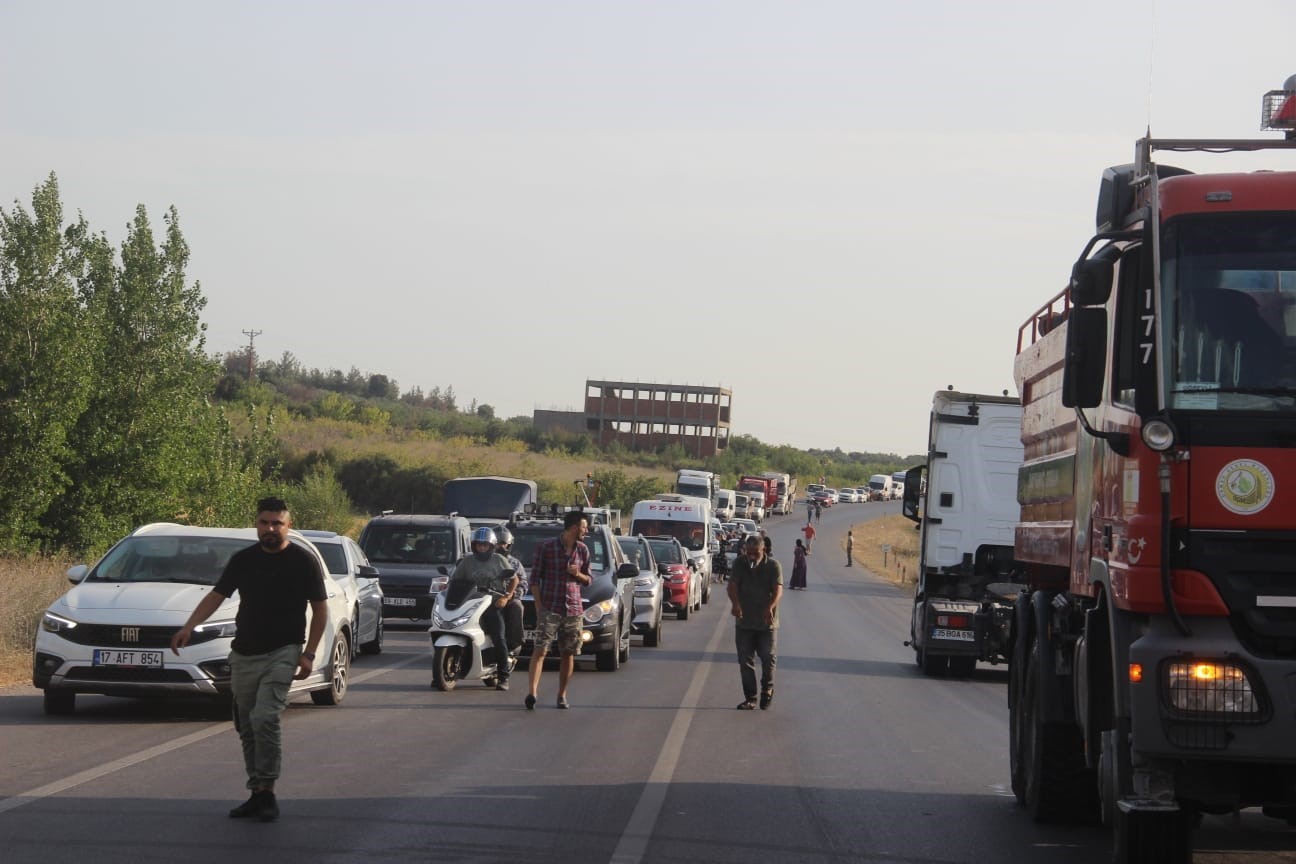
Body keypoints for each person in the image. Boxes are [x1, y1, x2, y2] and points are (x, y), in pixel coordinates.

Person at [170, 496, 328, 823]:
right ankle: (256, 791)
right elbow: (217, 595)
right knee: (245, 724)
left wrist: (309, 653)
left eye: (277, 523)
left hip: (284, 651)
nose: (270, 529)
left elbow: (320, 609)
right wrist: (189, 627)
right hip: (244, 653)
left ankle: (268, 792)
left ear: (289, 525)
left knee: (265, 717)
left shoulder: (302, 561)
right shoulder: (243, 560)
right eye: (264, 522)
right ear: (256, 523)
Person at [526, 510, 591, 710]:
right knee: (540, 650)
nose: (586, 530)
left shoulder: (583, 550)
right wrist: (539, 606)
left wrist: (577, 574)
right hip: (550, 607)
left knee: (568, 653)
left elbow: (589, 580)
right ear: (573, 527)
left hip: (573, 609)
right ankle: (532, 693)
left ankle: (562, 695)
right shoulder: (546, 547)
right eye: (584, 527)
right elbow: (534, 579)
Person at [448, 527, 520, 690]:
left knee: (499, 637)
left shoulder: (499, 560)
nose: (481, 548)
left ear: (491, 546)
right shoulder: (467, 561)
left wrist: (505, 597)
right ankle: (442, 672)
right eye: (479, 545)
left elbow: (514, 580)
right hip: (469, 604)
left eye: (485, 545)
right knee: (453, 628)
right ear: (474, 545)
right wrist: (447, 588)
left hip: (492, 604)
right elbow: (455, 580)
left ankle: (503, 677)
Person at [728, 533, 783, 710]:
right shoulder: (739, 564)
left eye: (755, 553)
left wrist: (770, 607)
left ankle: (767, 688)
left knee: (768, 657)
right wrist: (735, 604)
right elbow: (732, 586)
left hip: (767, 623)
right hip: (744, 623)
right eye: (749, 553)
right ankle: (750, 697)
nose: (752, 556)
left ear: (763, 550)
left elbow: (778, 590)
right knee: (745, 661)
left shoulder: (773, 566)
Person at [495, 527, 528, 652]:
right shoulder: (481, 560)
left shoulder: (515, 563)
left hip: (506, 598)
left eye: (503, 544)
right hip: (484, 596)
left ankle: (514, 642)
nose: (500, 547)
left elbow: (523, 583)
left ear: (509, 545)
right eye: (497, 543)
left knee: (517, 606)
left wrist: (514, 593)